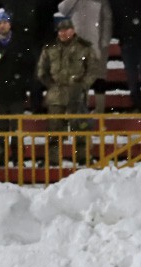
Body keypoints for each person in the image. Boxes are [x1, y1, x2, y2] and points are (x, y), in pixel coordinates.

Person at [37, 18, 98, 166]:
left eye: (67, 30)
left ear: (73, 30)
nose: (63, 33)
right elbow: (41, 71)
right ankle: (53, 160)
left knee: (80, 130)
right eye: (61, 30)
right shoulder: (49, 48)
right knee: (54, 130)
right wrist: (50, 85)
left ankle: (82, 158)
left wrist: (83, 85)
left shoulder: (84, 47)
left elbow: (93, 69)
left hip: (76, 93)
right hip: (56, 95)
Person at [0, 8, 33, 166]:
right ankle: (1, 155)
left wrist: (21, 74)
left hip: (17, 91)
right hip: (0, 92)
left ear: (9, 24)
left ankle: (18, 157)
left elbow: (30, 63)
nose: (2, 26)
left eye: (5, 22)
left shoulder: (20, 42)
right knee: (1, 128)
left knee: (17, 128)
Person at [0, 0, 59, 114]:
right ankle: (13, 107)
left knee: (36, 76)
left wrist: (47, 41)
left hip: (36, 40)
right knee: (15, 73)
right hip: (18, 40)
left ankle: (35, 106)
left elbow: (47, 17)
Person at [58, 0, 113, 114]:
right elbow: (62, 9)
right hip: (78, 45)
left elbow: (107, 20)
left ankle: (99, 109)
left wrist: (104, 42)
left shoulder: (101, 2)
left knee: (98, 77)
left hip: (97, 44)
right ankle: (80, 109)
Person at [112, 0, 141, 112]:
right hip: (127, 42)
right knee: (132, 75)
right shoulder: (118, 4)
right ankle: (138, 103)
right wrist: (121, 35)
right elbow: (115, 20)